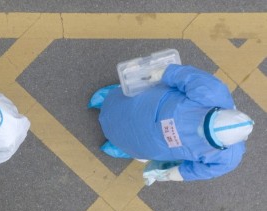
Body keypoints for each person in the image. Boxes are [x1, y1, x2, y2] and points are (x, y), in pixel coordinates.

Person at [90, 64, 254, 183]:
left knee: (128, 117)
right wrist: (171, 174)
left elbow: (185, 76)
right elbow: (185, 76)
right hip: (148, 132)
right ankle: (117, 140)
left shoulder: (213, 92)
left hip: (146, 113)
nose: (199, 131)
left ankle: (109, 110)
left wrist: (160, 73)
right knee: (134, 133)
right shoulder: (228, 158)